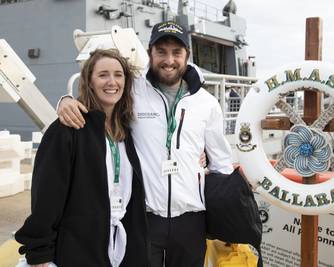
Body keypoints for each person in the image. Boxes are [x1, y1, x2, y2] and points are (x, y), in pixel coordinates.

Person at [57, 21, 234, 267]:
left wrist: (227, 213)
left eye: (176, 52)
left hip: (192, 219)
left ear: (187, 56)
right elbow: (99, 99)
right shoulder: (132, 90)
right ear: (150, 52)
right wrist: (65, 100)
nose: (169, 60)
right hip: (143, 217)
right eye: (161, 51)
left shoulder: (207, 103)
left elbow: (222, 163)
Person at [15, 49, 150, 267]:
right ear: (89, 81)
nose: (112, 81)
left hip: (121, 248)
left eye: (118, 74)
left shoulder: (126, 131)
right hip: (79, 251)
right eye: (103, 74)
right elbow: (46, 198)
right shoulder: (67, 129)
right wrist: (40, 253)